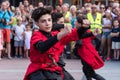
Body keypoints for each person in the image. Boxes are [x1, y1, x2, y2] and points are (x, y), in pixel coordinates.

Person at [24, 7, 95, 80]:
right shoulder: (36, 35)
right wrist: (60, 35)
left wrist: (84, 27)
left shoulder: (55, 33)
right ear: (37, 23)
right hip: (39, 71)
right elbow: (42, 47)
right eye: (43, 21)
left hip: (54, 69)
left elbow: (75, 34)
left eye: (49, 20)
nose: (47, 23)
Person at [75, 16, 105, 80]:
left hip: (87, 53)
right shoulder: (84, 31)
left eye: (76, 22)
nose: (75, 23)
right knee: (86, 71)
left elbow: (97, 40)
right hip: (84, 53)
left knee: (91, 73)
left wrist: (97, 49)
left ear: (80, 24)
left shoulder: (86, 31)